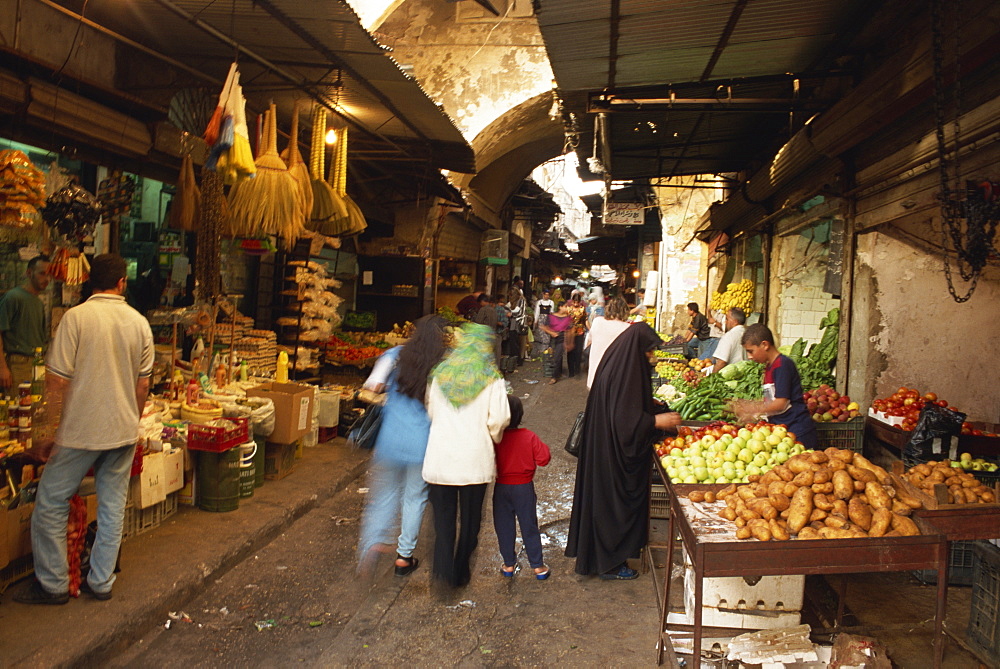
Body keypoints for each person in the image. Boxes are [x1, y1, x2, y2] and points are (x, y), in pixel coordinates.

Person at [16, 254, 154, 604]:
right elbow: (143, 387)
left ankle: (54, 585)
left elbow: (55, 382)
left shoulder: (75, 319)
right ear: (122, 282)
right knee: (112, 507)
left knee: (50, 502)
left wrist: (49, 433)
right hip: (122, 432)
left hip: (80, 432)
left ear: (90, 281)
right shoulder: (139, 324)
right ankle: (101, 582)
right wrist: (131, 421)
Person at [566, 323, 682, 579]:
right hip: (613, 457)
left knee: (606, 505)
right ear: (638, 349)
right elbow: (623, 421)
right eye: (649, 351)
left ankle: (606, 559)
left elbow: (622, 404)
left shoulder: (618, 362)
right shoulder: (625, 372)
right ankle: (609, 564)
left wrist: (647, 405)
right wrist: (655, 422)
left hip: (605, 450)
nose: (652, 357)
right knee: (613, 507)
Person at [357, 314, 448, 578]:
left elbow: (371, 386)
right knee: (414, 498)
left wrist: (390, 390)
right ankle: (403, 557)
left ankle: (372, 543)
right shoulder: (441, 365)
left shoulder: (395, 354)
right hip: (422, 444)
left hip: (390, 439)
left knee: (383, 496)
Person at [423, 323, 511, 588]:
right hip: (474, 461)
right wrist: (491, 437)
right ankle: (460, 572)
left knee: (443, 522)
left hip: (440, 459)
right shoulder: (491, 377)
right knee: (470, 523)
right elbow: (499, 419)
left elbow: (431, 411)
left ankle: (441, 572)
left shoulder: (439, 375)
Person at [732, 323, 819, 450]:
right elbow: (772, 399)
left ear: (765, 345)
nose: (750, 357)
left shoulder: (782, 365)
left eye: (751, 351)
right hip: (783, 431)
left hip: (798, 431)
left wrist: (753, 408)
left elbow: (781, 403)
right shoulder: (769, 367)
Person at [493, 395, 551, 580]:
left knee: (504, 527)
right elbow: (544, 459)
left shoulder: (496, 439)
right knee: (529, 525)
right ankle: (538, 567)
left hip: (501, 487)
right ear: (520, 415)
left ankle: (509, 564)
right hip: (524, 487)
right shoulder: (529, 436)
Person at [0, 255, 51, 390]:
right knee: (18, 406)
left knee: (36, 405)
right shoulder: (13, 297)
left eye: (49, 275)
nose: (47, 279)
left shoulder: (38, 302)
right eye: (42, 273)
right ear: (29, 273)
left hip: (37, 363)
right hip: (18, 363)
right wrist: (3, 368)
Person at [585, 296, 631, 389]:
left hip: (595, 375)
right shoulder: (627, 327)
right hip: (615, 376)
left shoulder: (597, 322)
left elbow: (589, 341)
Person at [539, 303, 573, 385]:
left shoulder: (568, 318)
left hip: (562, 337)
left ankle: (554, 376)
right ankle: (558, 372)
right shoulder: (551, 316)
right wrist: (551, 332)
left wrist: (569, 342)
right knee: (556, 355)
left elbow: (569, 330)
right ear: (560, 307)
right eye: (565, 306)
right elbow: (543, 326)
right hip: (553, 337)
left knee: (557, 356)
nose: (567, 308)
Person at [710, 307, 748, 373]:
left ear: (735, 321)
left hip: (732, 376)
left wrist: (712, 377)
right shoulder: (747, 333)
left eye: (727, 319)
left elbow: (721, 362)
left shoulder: (729, 336)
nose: (725, 322)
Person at [563, 291, 587, 378]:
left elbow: (585, 320)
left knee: (578, 351)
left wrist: (589, 329)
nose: (576, 304)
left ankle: (577, 370)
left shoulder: (582, 309)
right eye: (574, 302)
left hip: (580, 331)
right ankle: (571, 371)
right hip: (570, 332)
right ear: (572, 301)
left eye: (577, 302)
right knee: (570, 351)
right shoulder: (568, 309)